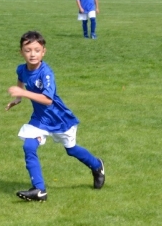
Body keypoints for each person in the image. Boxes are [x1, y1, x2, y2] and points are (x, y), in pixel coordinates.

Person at [6, 31, 105, 201]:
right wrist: (18, 99)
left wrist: (23, 93)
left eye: (37, 50)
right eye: (28, 50)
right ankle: (39, 190)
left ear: (43, 52)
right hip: (40, 119)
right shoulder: (22, 69)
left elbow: (47, 100)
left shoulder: (46, 73)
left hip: (59, 118)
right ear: (21, 52)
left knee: (71, 149)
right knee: (29, 146)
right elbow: (21, 77)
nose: (32, 54)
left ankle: (97, 166)